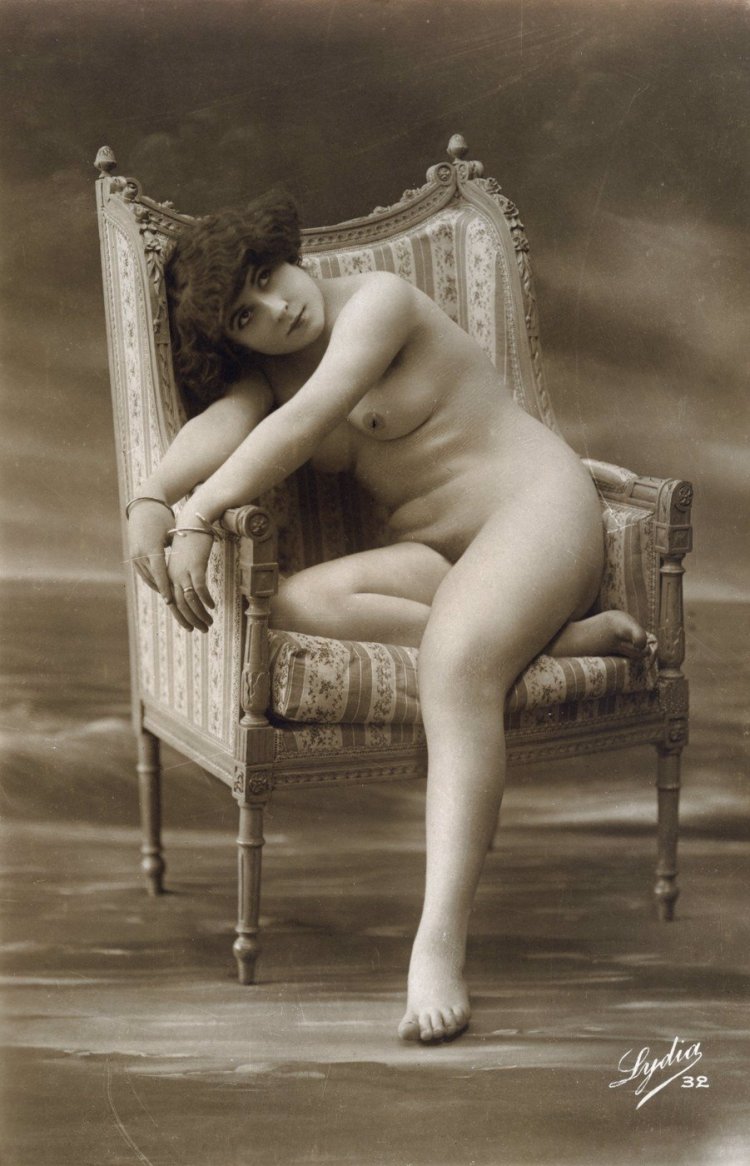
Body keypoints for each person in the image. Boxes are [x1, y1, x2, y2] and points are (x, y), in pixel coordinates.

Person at [127, 190, 649, 1043]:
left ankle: (437, 945)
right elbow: (229, 422)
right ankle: (544, 642)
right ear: (237, 341)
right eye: (246, 315)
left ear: (285, 253)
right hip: (441, 558)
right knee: (299, 601)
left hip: (536, 511)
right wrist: (152, 496)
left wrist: (198, 517)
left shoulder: (380, 303)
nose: (276, 307)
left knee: (455, 669)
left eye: (268, 276)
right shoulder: (269, 375)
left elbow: (305, 424)